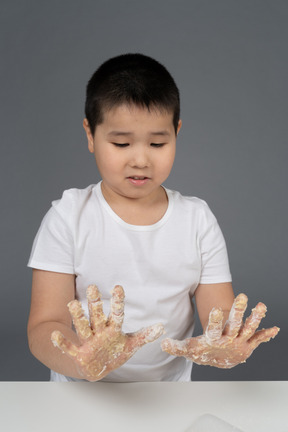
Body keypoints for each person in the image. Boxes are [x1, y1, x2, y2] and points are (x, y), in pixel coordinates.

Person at [27, 53, 279, 382]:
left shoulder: (196, 220)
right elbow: (43, 326)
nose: (140, 160)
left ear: (177, 132)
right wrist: (82, 362)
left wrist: (226, 345)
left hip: (168, 395)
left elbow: (218, 317)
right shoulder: (67, 217)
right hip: (82, 393)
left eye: (158, 143)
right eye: (121, 143)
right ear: (90, 134)